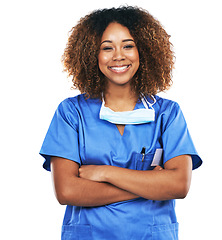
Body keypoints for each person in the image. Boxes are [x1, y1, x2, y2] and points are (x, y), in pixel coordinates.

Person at [39, 6, 202, 240]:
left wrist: (104, 172)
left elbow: (179, 185)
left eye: (128, 45)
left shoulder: (168, 113)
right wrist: (149, 185)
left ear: (143, 51)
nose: (118, 55)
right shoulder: (71, 112)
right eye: (107, 48)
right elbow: (67, 191)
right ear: (91, 55)